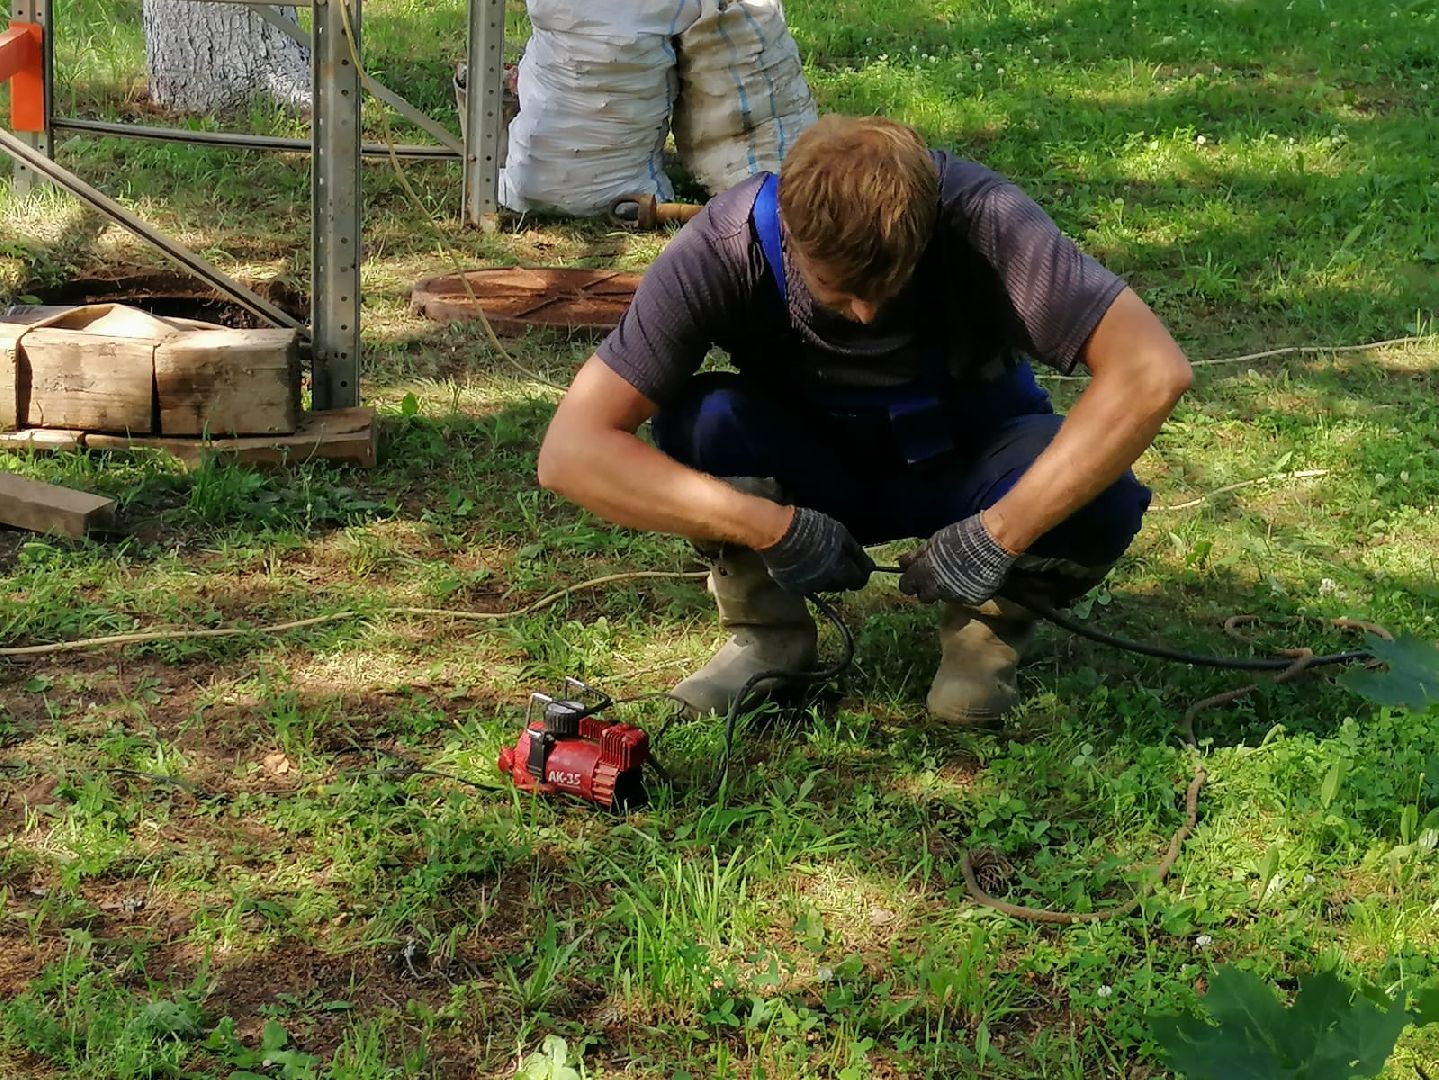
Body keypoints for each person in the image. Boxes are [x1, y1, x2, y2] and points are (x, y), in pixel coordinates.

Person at [538, 115, 1192, 724]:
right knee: (706, 419)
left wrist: (997, 534)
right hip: (815, 470)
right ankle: (768, 641)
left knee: (1097, 483)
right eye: (837, 290)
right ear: (791, 238)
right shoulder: (723, 246)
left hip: (973, 463)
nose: (865, 315)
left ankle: (984, 635)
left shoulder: (984, 219)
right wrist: (767, 527)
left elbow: (1152, 371)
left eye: (888, 284)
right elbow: (571, 451)